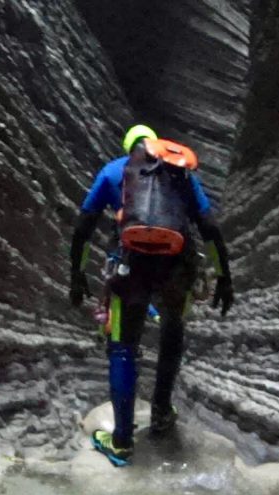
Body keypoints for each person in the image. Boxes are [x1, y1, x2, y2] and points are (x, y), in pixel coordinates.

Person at [69, 124, 234, 466]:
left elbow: (83, 227)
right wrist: (223, 276)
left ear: (127, 147)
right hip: (176, 269)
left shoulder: (114, 171)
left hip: (130, 270)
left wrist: (76, 273)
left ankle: (122, 443)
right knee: (173, 332)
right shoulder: (177, 170)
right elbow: (210, 228)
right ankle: (161, 413)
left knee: (124, 348)